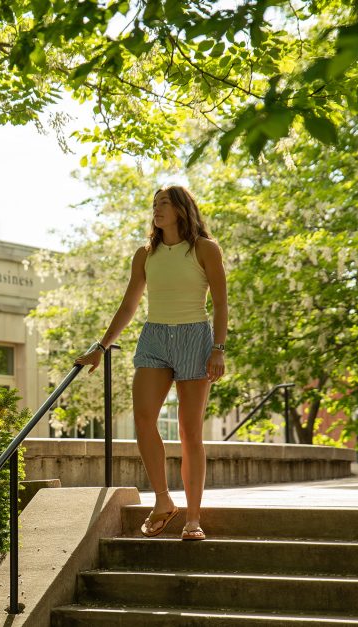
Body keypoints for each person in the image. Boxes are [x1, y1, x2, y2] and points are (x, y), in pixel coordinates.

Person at [74, 185, 227, 540]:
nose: (156, 210)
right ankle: (162, 500)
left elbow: (220, 303)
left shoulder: (205, 249)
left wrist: (218, 348)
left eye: (163, 204)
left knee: (190, 432)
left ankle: (192, 518)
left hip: (195, 337)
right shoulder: (145, 255)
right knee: (143, 416)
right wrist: (102, 345)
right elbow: (129, 305)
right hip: (154, 337)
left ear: (180, 210)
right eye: (154, 204)